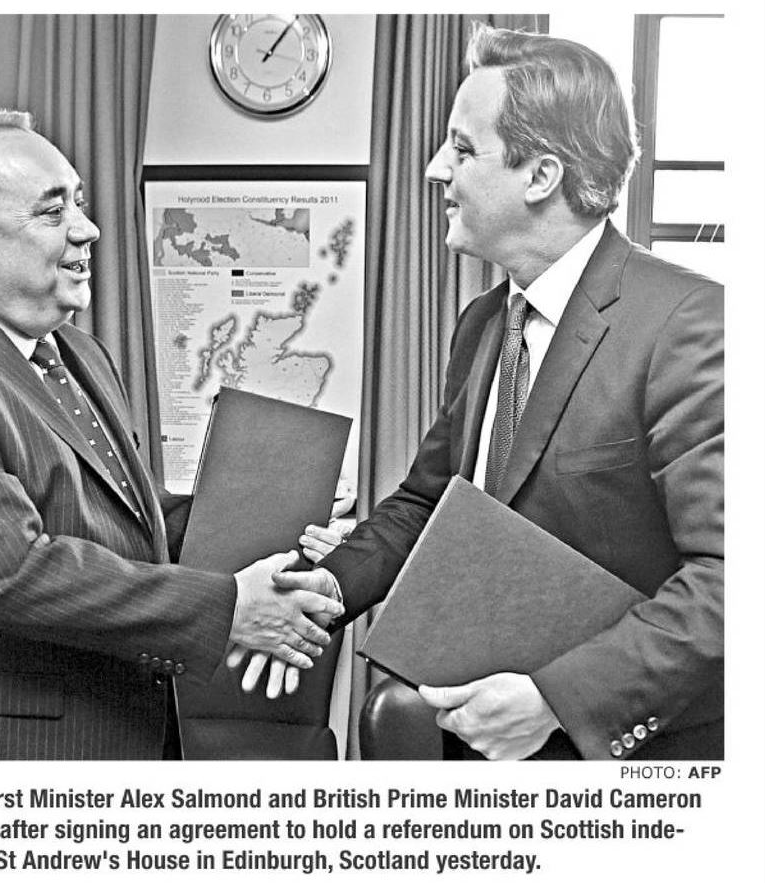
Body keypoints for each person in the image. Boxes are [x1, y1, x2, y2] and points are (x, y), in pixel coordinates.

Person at [270, 25, 723, 760]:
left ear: (540, 176)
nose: (434, 169)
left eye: (461, 148)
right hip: (471, 747)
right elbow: (430, 502)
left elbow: (728, 578)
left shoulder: (692, 323)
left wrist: (558, 699)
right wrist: (331, 587)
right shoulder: (483, 323)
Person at [0, 111, 343, 761]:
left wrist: (283, 523)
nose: (88, 229)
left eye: (80, 203)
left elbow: (132, 524)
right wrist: (231, 607)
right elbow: (15, 573)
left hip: (122, 740)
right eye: (52, 211)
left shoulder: (79, 353)